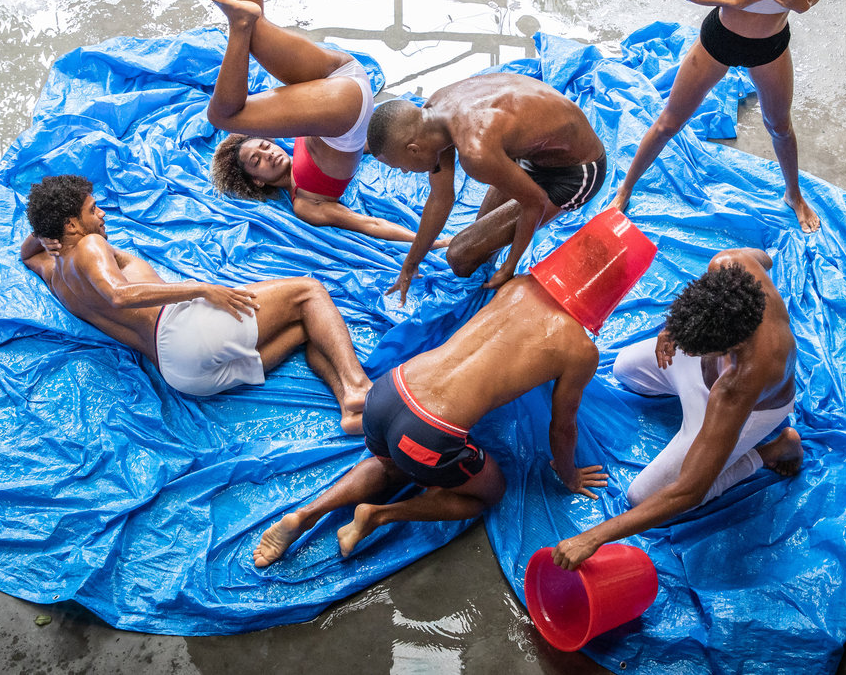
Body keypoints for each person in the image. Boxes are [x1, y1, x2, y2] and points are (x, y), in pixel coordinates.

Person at [252, 271, 609, 567]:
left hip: (390, 391)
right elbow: (563, 427)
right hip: (429, 432)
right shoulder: (581, 350)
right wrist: (569, 475)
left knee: (392, 465)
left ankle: (304, 515)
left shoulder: (521, 284)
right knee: (491, 491)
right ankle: (377, 516)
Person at [188, 0, 440, 247]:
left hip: (341, 75)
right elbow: (367, 224)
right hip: (347, 106)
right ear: (257, 181)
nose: (267, 151)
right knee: (222, 116)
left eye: (261, 145)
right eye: (257, 161)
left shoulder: (296, 129)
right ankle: (237, 26)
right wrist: (431, 242)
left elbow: (369, 143)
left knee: (257, 28)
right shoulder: (307, 203)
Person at [20, 174, 371, 434]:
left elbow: (28, 254)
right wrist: (198, 289)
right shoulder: (90, 246)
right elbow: (118, 294)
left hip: (180, 375)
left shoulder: (55, 275)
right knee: (310, 292)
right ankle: (358, 385)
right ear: (71, 225)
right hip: (184, 330)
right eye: (92, 209)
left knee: (307, 328)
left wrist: (47, 229)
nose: (102, 215)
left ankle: (348, 407)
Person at [610, 0, 832, 233]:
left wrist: (800, 4)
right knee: (669, 122)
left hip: (771, 48)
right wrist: (737, 0)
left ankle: (793, 195)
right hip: (719, 41)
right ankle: (625, 188)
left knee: (779, 127)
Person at [550, 248, 804, 569]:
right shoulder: (728, 265)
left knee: (641, 497)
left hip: (748, 410)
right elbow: (764, 258)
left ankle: (775, 450)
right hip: (705, 368)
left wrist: (594, 536)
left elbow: (689, 491)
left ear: (730, 347)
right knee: (624, 369)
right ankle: (685, 361)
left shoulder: (742, 383)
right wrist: (671, 329)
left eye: (696, 346)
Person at [366, 74, 607, 301]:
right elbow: (440, 198)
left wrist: (509, 266)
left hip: (577, 170)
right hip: (536, 152)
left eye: (401, 167)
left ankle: (494, 274)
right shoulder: (434, 112)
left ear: (413, 150)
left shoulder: (475, 152)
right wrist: (410, 264)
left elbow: (535, 202)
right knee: (477, 247)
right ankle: (486, 261)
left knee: (460, 256)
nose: (405, 172)